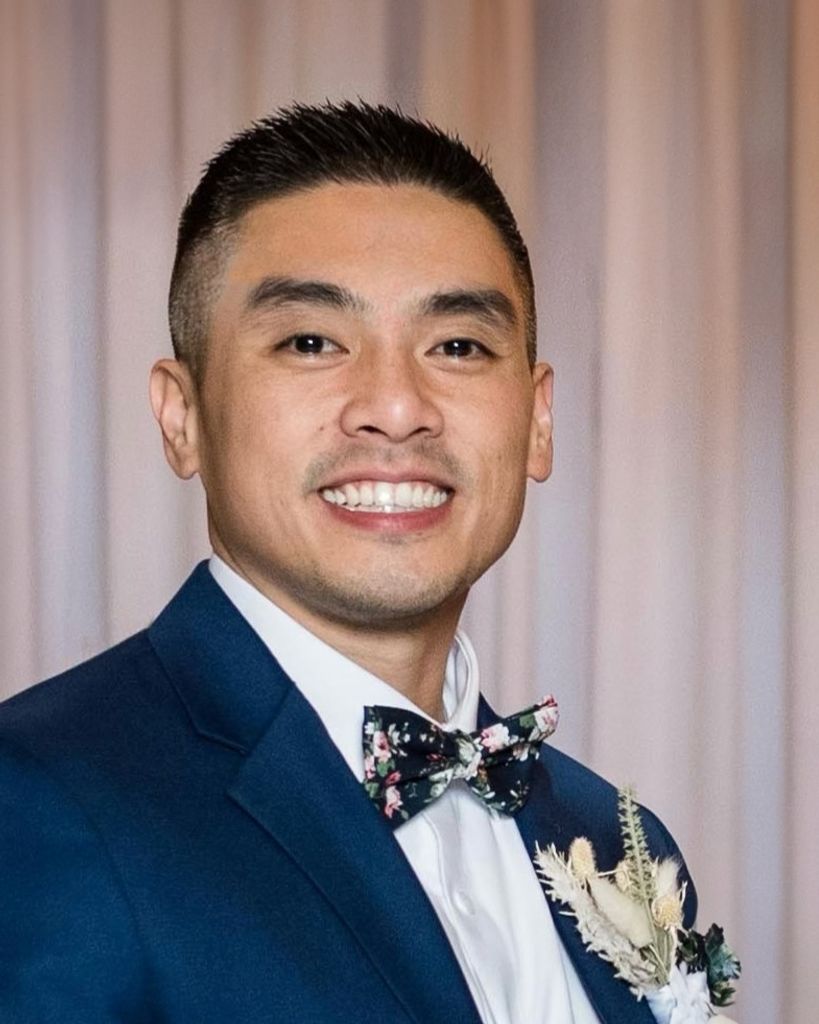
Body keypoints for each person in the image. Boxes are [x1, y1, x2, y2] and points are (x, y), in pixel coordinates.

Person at [0, 101, 695, 1023]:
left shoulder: (619, 842)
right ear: (182, 417)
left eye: (457, 346)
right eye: (311, 342)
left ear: (537, 420)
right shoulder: (35, 797)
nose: (396, 407)